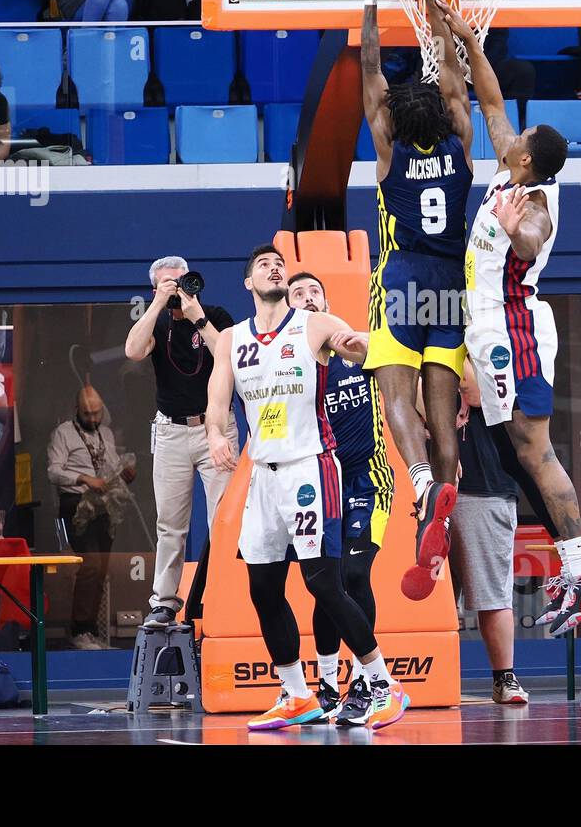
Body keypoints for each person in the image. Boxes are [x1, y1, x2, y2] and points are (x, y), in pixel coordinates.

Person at [441, 0, 581, 638]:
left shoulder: (536, 200)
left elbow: (532, 239)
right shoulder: (507, 171)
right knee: (520, 451)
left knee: (535, 451)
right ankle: (578, 566)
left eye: (521, 136)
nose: (511, 132)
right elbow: (490, 101)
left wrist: (520, 238)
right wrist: (467, 40)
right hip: (488, 328)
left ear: (527, 158)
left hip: (512, 327)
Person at [204, 245, 408, 731]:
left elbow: (349, 343)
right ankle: (297, 695)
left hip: (310, 468)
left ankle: (382, 683)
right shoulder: (232, 339)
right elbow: (217, 399)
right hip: (262, 476)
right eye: (263, 265)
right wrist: (215, 435)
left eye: (279, 263)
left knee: (322, 581)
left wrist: (358, 346)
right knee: (263, 589)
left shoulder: (313, 324)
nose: (274, 267)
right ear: (248, 283)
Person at [359, 0, 473, 602]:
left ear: (394, 117)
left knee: (395, 400)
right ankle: (444, 508)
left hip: (402, 278)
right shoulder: (459, 136)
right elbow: (452, 66)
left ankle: (425, 485)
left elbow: (371, 67)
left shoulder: (387, 147)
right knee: (442, 405)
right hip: (451, 286)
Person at [287, 271, 396, 725]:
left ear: (327, 302)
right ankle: (327, 685)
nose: (308, 299)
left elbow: (402, 373)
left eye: (315, 292)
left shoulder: (358, 347)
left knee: (354, 574)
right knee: (324, 583)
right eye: (298, 294)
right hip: (321, 482)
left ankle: (364, 684)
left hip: (367, 481)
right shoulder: (292, 362)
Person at [124, 256, 237, 629]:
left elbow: (231, 358)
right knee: (170, 523)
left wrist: (197, 316)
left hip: (216, 428)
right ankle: (164, 601)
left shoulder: (215, 314)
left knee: (223, 518)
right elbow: (133, 350)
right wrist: (158, 303)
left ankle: (223, 592)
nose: (176, 289)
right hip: (171, 430)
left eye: (181, 281)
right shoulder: (155, 320)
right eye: (167, 284)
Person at [452, 358, 529, 704]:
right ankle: (433, 675)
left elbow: (471, 386)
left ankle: (504, 679)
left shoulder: (493, 344)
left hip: (484, 484)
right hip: (425, 482)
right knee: (432, 596)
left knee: (492, 594)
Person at [47, 386, 135, 650]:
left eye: (97, 413)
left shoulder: (105, 433)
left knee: (101, 568)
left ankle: (91, 631)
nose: (94, 419)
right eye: (88, 414)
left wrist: (124, 473)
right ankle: (79, 629)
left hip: (103, 504)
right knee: (92, 565)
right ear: (77, 411)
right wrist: (84, 478)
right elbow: (53, 471)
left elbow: (110, 464)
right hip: (76, 504)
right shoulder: (63, 433)